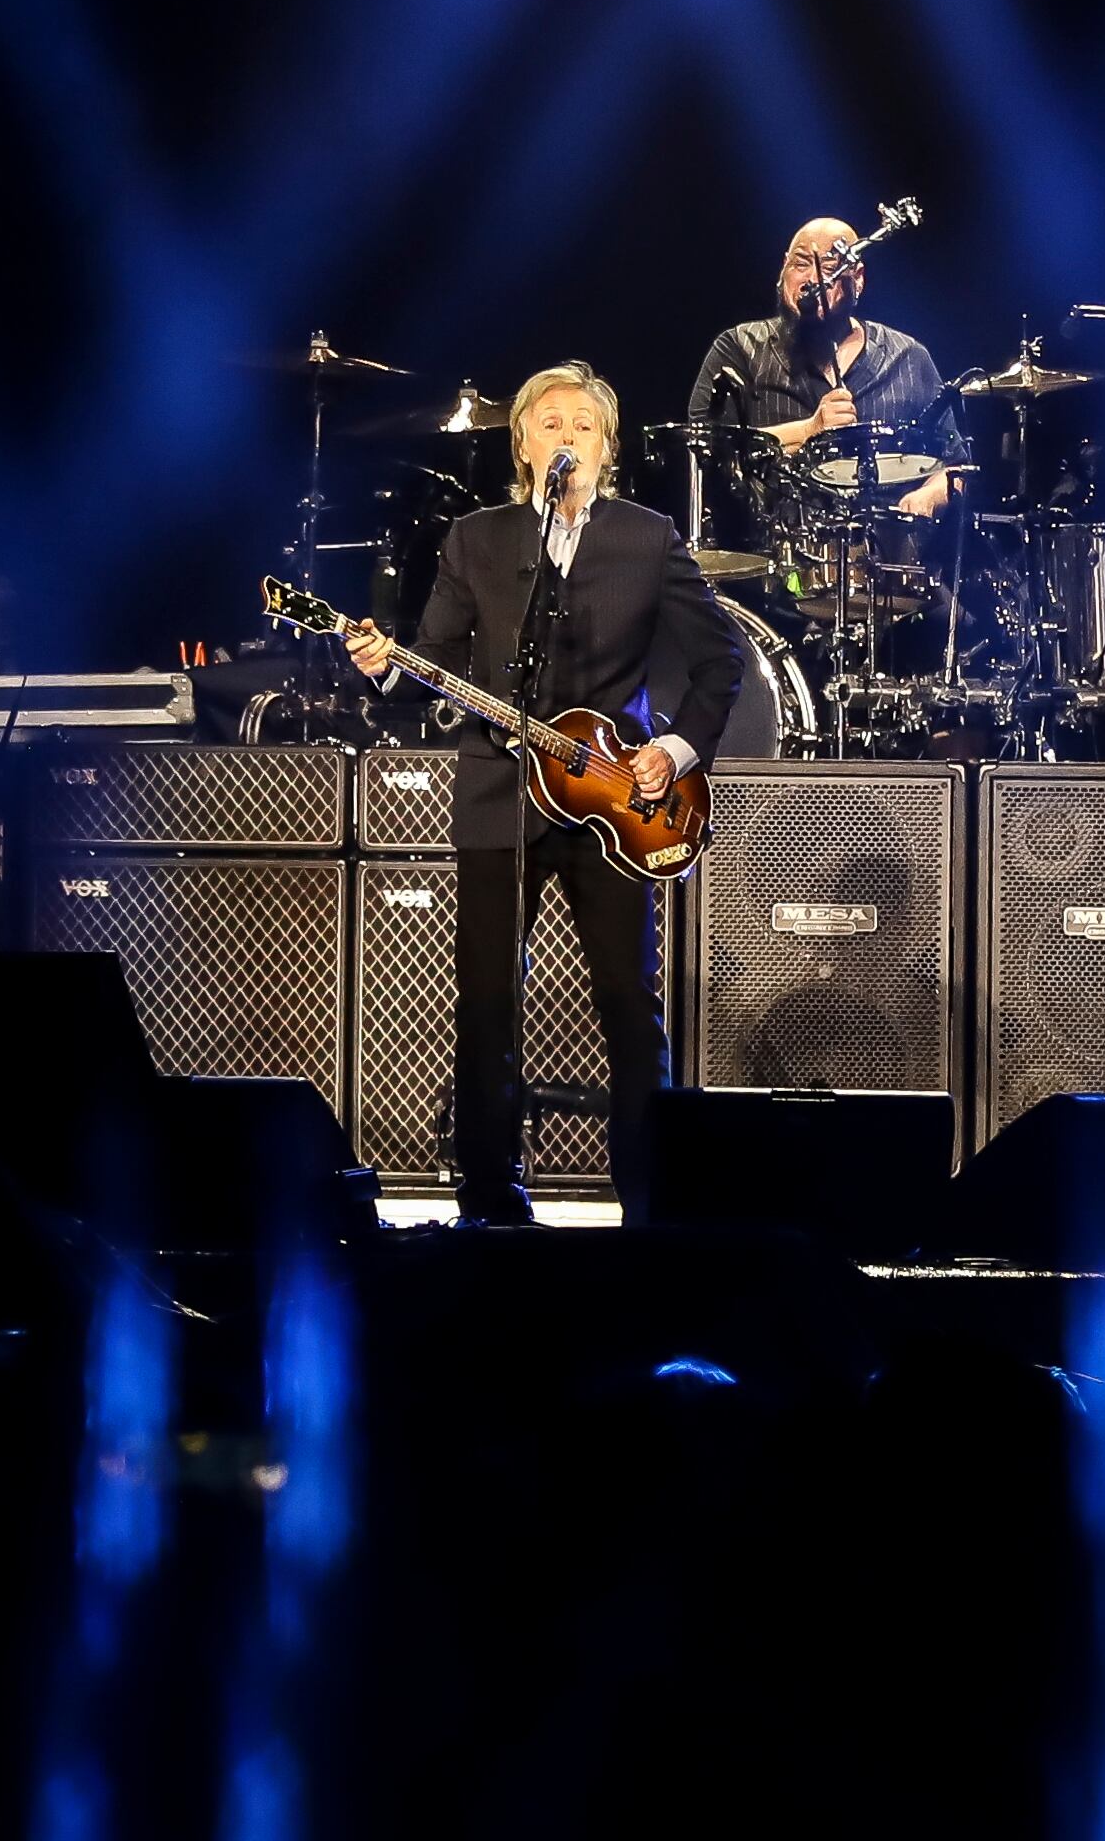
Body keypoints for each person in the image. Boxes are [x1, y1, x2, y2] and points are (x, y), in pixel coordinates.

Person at [346, 362, 737, 1224]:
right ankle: (490, 1196)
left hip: (616, 802)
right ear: (522, 444)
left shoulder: (646, 536)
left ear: (608, 448)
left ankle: (648, 1198)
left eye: (584, 426)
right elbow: (435, 666)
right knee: (487, 997)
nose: (567, 437)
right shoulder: (477, 539)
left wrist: (672, 752)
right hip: (497, 796)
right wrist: (385, 668)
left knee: (628, 1005)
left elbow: (721, 661)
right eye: (550, 423)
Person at [687, 218, 963, 523]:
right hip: (769, 556)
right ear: (783, 270)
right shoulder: (740, 348)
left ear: (858, 279)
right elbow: (702, 449)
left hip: (885, 558)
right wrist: (808, 430)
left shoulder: (908, 358)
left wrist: (926, 497)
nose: (811, 279)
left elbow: (955, 467)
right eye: (800, 264)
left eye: (830, 269)